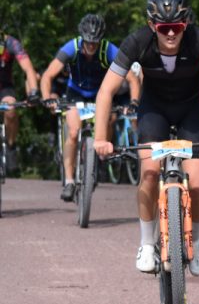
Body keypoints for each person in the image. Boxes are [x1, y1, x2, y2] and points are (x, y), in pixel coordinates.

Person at [93, 0, 199, 275]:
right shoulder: (137, 41)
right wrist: (101, 138)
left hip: (192, 109)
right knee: (150, 174)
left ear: (185, 23)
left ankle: (197, 239)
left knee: (198, 185)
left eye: (176, 27)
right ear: (152, 25)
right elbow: (106, 91)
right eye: (163, 27)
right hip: (154, 109)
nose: (170, 34)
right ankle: (146, 244)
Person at [40, 14, 142, 201]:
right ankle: (69, 181)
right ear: (82, 38)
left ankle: (100, 158)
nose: (92, 46)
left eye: (95, 42)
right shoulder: (71, 47)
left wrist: (134, 102)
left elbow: (132, 79)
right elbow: (48, 75)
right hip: (76, 93)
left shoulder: (109, 49)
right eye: (88, 42)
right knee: (73, 131)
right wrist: (47, 98)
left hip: (100, 94)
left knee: (110, 119)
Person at [0, 24, 41, 174]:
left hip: (4, 87)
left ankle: (10, 146)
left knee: (11, 110)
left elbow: (28, 69)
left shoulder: (12, 43)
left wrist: (33, 92)